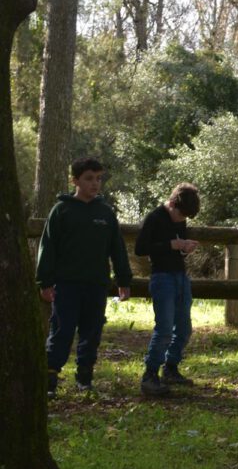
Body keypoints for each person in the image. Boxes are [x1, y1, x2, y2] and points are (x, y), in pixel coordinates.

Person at [36, 156, 133, 396]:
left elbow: (117, 249)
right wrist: (45, 281)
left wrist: (124, 280)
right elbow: (47, 247)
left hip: (96, 284)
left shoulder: (106, 213)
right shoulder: (62, 210)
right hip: (67, 284)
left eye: (99, 179)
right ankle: (50, 379)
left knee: (91, 331)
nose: (95, 184)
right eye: (89, 179)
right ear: (75, 180)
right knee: (62, 330)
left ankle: (85, 378)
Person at [135, 183, 201, 397]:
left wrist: (183, 248)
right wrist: (170, 245)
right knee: (164, 328)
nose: (182, 220)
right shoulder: (154, 218)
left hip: (181, 276)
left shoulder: (181, 217)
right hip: (162, 277)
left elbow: (176, 246)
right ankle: (150, 374)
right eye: (180, 214)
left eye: (186, 217)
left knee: (184, 328)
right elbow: (141, 248)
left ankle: (171, 367)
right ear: (172, 203)